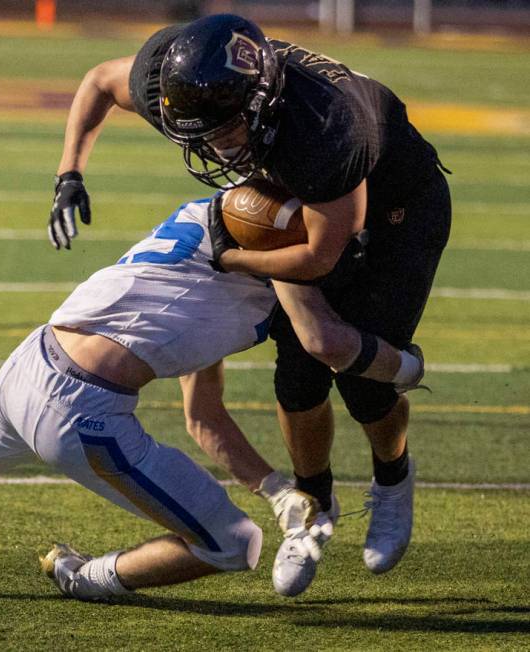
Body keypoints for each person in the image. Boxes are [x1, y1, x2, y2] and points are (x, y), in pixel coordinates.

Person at [0, 194, 418, 598]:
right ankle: (82, 575)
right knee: (231, 546)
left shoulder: (205, 232)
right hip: (82, 413)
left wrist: (274, 486)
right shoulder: (276, 266)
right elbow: (325, 337)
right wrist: (405, 367)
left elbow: (202, 415)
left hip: (29, 364)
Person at [46, 14, 449, 597]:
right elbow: (97, 83)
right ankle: (313, 505)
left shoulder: (324, 128)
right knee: (297, 378)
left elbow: (319, 253)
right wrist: (69, 174)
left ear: (261, 101)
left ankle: (393, 477)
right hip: (299, 197)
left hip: (394, 211)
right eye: (199, 133)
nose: (213, 148)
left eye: (225, 132)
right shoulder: (177, 77)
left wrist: (234, 259)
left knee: (360, 379)